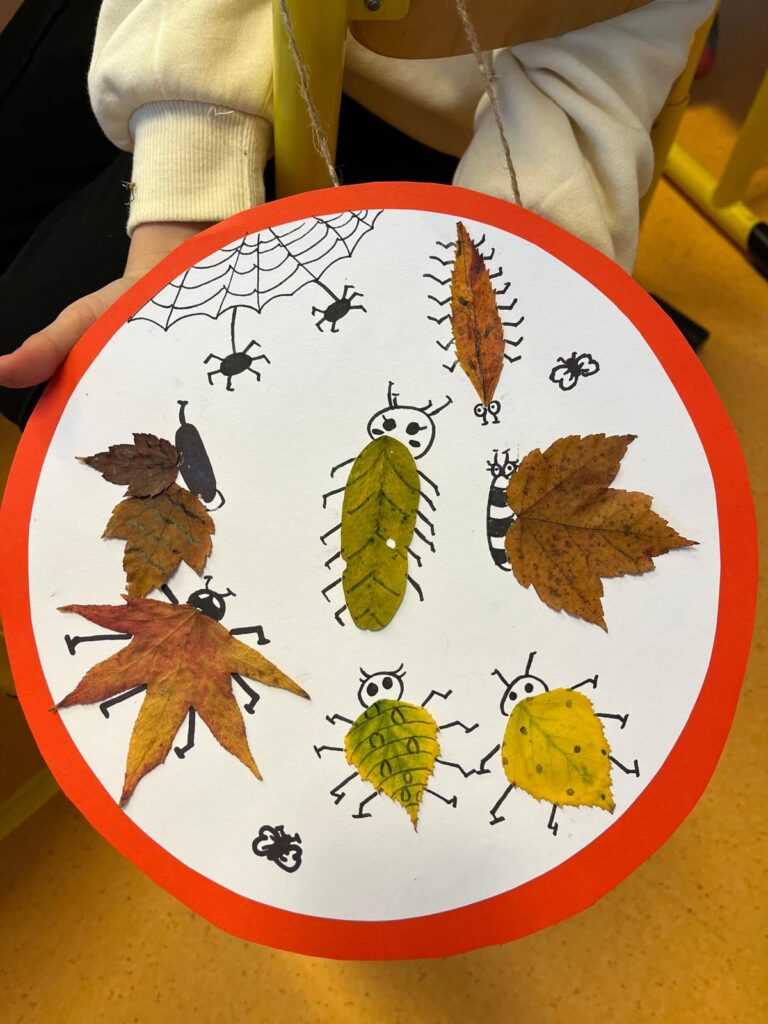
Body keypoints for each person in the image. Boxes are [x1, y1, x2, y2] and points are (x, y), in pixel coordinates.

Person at [0, 0, 716, 421]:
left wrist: (492, 293)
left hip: (459, 130)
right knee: (54, 349)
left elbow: (594, 68)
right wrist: (181, 217)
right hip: (198, 36)